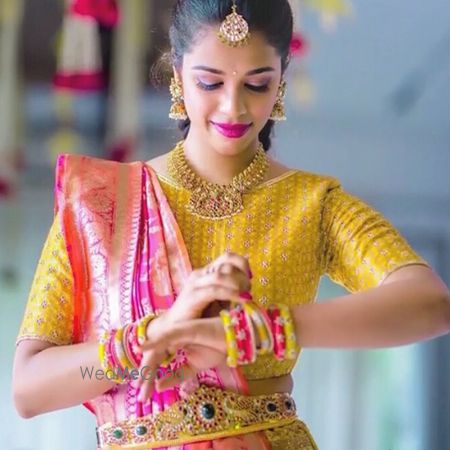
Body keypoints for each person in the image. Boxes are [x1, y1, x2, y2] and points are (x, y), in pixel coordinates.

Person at [13, 1, 450, 449]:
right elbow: (28, 388)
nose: (233, 107)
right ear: (177, 74)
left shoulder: (312, 204)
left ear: (281, 79)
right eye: (210, 82)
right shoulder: (99, 202)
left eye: (257, 84)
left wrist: (256, 333)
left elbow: (430, 303)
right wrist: (150, 337)